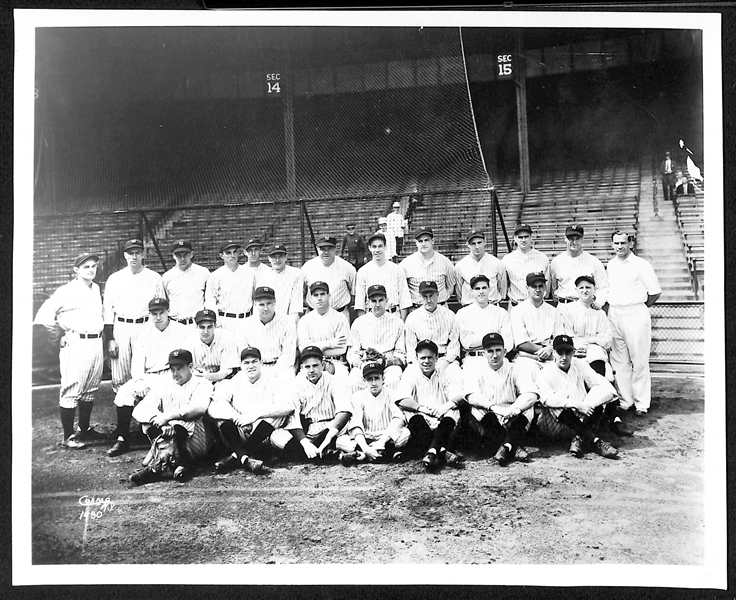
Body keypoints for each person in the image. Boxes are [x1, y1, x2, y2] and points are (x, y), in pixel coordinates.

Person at [33, 252, 106, 448]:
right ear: (76, 270)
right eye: (86, 267)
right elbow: (44, 315)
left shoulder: (96, 288)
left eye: (93, 266)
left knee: (90, 387)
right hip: (76, 342)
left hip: (95, 342)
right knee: (72, 387)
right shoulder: (66, 290)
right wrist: (57, 337)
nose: (91, 270)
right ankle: (68, 436)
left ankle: (84, 429)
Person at [107, 297, 190, 457]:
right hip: (150, 375)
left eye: (161, 313)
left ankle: (161, 437)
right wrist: (139, 382)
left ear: (168, 312)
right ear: (149, 314)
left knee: (163, 397)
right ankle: (123, 438)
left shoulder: (182, 331)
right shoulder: (144, 334)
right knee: (125, 392)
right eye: (154, 314)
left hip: (171, 375)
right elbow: (137, 363)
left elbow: (186, 359)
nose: (158, 317)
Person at [128, 349, 215, 484]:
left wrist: (168, 418)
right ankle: (180, 465)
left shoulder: (202, 383)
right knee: (149, 422)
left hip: (198, 440)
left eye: (179, 369)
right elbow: (139, 410)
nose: (175, 373)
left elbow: (199, 409)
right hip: (172, 438)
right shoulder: (164, 385)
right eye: (172, 369)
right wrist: (161, 421)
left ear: (190, 367)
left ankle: (156, 468)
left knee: (182, 424)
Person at [207, 346, 295, 474]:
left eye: (254, 361)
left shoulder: (272, 379)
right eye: (246, 363)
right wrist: (234, 416)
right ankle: (245, 457)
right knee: (220, 416)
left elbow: (288, 406)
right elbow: (213, 408)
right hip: (240, 430)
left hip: (264, 433)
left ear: (261, 363)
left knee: (278, 415)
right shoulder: (234, 380)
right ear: (241, 365)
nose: (250, 366)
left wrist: (256, 415)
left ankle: (237, 456)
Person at [604, 230, 661, 416]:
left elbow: (654, 292)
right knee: (619, 361)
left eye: (622, 243)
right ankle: (626, 400)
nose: (619, 247)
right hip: (615, 313)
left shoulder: (641, 265)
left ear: (630, 244)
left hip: (635, 313)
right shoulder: (611, 265)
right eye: (616, 243)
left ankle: (642, 403)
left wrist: (639, 308)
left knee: (640, 360)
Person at [535, 335, 620, 459]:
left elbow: (608, 388)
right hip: (555, 425)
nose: (564, 357)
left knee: (599, 394)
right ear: (553, 353)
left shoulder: (581, 365)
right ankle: (595, 440)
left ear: (574, 352)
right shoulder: (545, 372)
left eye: (568, 352)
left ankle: (579, 438)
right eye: (560, 352)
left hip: (582, 418)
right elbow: (547, 399)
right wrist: (576, 405)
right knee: (556, 403)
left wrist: (589, 404)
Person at [462, 333, 538, 466]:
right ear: (483, 353)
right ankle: (512, 447)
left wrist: (514, 409)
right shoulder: (476, 369)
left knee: (528, 407)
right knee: (476, 408)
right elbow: (471, 396)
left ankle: (504, 447)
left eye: (498, 350)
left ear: (505, 351)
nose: (495, 355)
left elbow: (531, 394)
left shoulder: (514, 368)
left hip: (512, 415)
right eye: (490, 351)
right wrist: (493, 408)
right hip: (490, 415)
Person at [268, 345, 352, 461]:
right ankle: (328, 453)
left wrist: (328, 437)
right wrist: (305, 443)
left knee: (348, 443)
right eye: (307, 367)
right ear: (302, 368)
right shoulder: (296, 384)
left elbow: (344, 411)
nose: (311, 370)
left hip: (330, 427)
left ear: (322, 365)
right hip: (309, 429)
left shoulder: (334, 381)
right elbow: (293, 417)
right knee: (276, 437)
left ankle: (309, 454)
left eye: (315, 365)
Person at [103, 238, 165, 394]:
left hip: (146, 325)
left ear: (143, 254)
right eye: (131, 253)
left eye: (138, 253)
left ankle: (143, 415)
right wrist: (110, 338)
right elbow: (108, 311)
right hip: (122, 327)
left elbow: (161, 308)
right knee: (120, 375)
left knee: (147, 370)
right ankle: (124, 415)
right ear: (125, 255)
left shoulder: (154, 277)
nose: (134, 257)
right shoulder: (115, 279)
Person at [394, 339, 465, 471]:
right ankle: (441, 451)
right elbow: (401, 399)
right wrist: (421, 408)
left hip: (442, 419)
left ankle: (431, 451)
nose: (426, 361)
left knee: (453, 411)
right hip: (423, 419)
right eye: (422, 358)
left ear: (437, 358)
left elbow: (461, 395)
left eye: (430, 357)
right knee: (412, 414)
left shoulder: (445, 371)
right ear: (416, 358)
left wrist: (446, 406)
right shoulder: (411, 372)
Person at [335, 361, 410, 465]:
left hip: (386, 437)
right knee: (341, 440)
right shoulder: (358, 397)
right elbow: (355, 424)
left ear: (383, 379)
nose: (374, 383)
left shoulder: (392, 394)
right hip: (366, 437)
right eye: (370, 379)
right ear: (364, 381)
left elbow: (398, 420)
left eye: (377, 378)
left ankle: (361, 456)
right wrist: (365, 447)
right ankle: (380, 454)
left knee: (405, 434)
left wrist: (381, 442)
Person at [346, 284, 406, 391]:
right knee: (354, 381)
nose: (377, 304)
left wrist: (387, 362)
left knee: (393, 380)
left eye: (381, 300)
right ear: (368, 303)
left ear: (386, 300)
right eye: (373, 301)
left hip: (389, 363)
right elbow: (353, 353)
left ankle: (392, 408)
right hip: (365, 362)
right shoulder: (359, 322)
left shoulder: (397, 322)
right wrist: (361, 364)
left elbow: (400, 353)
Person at [403, 280, 462, 380]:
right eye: (425, 296)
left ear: (438, 294)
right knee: (409, 376)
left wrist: (445, 362)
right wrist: (420, 365)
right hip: (421, 362)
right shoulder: (412, 318)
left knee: (456, 374)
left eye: (431, 295)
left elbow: (454, 344)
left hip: (444, 359)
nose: (429, 300)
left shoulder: (449, 315)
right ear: (420, 297)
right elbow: (411, 348)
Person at [238, 286, 298, 381]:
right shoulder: (244, 325)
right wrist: (258, 372)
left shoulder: (287, 322)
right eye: (261, 304)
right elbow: (243, 353)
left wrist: (271, 374)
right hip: (255, 367)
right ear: (255, 304)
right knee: (241, 380)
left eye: (269, 303)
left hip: (281, 368)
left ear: (275, 302)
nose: (266, 308)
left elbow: (288, 355)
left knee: (287, 379)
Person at [509, 272, 561, 380]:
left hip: (551, 354)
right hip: (527, 357)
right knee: (530, 374)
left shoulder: (553, 311)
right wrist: (544, 351)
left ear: (545, 287)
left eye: (540, 286)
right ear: (527, 288)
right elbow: (521, 344)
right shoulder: (517, 310)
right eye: (534, 286)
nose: (538, 289)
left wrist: (550, 348)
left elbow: (559, 337)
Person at [455, 274, 514, 367]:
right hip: (474, 359)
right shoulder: (462, 313)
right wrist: (496, 340)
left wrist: (478, 342)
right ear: (471, 291)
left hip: (498, 359)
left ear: (489, 289)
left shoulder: (501, 313)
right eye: (477, 289)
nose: (481, 291)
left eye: (484, 288)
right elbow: (467, 343)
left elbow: (508, 343)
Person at [297, 281, 350, 382]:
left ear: (328, 296)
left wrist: (314, 347)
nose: (319, 298)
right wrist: (330, 343)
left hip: (336, 362)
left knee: (343, 382)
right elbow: (304, 349)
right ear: (310, 298)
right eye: (315, 295)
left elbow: (341, 349)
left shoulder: (340, 318)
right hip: (311, 364)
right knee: (300, 382)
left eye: (322, 294)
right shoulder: (304, 320)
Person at [353, 231, 412, 320]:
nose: (377, 250)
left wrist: (402, 322)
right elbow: (360, 303)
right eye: (374, 247)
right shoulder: (363, 271)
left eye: (380, 246)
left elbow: (404, 300)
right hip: (371, 317)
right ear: (369, 248)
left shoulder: (397, 269)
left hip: (393, 315)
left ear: (385, 247)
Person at [549, 225, 608, 307]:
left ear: (582, 239)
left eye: (577, 238)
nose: (574, 242)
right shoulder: (556, 262)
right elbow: (553, 287)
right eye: (571, 238)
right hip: (564, 306)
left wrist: (598, 303)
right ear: (565, 238)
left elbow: (602, 287)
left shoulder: (593, 262)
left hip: (585, 306)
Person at [205, 239, 256, 335]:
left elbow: (255, 299)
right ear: (221, 256)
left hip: (246, 319)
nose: (232, 256)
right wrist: (217, 325)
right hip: (225, 321)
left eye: (235, 252)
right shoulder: (215, 276)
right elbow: (210, 302)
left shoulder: (250, 273)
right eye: (228, 253)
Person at [399, 227, 457, 309]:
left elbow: (450, 287)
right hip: (416, 309)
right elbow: (402, 290)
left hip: (440, 308)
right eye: (420, 241)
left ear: (433, 241)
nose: (423, 244)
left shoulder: (445, 262)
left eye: (426, 240)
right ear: (416, 243)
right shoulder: (406, 264)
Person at [301, 236, 356, 317]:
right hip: (314, 315)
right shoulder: (307, 267)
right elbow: (301, 292)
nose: (326, 252)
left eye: (330, 248)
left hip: (339, 314)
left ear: (335, 249)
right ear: (317, 249)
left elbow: (354, 293)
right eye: (323, 249)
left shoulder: (347, 268)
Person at [161, 239, 210, 326]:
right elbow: (166, 301)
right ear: (173, 256)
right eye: (179, 255)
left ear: (191, 254)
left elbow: (209, 300)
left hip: (196, 324)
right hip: (175, 324)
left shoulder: (203, 273)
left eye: (186, 255)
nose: (182, 259)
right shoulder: (167, 277)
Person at [500, 224, 550, 309]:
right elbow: (503, 285)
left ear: (531, 237)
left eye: (526, 237)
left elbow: (547, 286)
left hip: (536, 305)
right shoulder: (507, 259)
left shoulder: (542, 257)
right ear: (515, 238)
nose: (523, 240)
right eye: (520, 237)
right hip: (516, 304)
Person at [454, 230, 507, 306]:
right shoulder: (460, 266)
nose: (477, 247)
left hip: (492, 306)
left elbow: (502, 288)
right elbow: (459, 292)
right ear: (468, 244)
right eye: (473, 244)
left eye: (479, 242)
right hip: (470, 307)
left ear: (485, 242)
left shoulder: (497, 263)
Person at [187, 309, 240, 384]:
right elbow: (189, 370)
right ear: (196, 327)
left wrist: (210, 377)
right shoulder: (190, 342)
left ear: (215, 326)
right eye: (202, 327)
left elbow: (228, 370)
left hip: (224, 380)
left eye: (209, 327)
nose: (205, 331)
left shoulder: (226, 337)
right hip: (199, 380)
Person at [261, 243, 305, 325]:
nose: (277, 260)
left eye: (280, 256)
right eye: (274, 257)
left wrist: (290, 325)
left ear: (286, 257)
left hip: (289, 319)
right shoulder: (263, 276)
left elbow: (295, 305)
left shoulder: (296, 274)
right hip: (268, 320)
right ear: (269, 258)